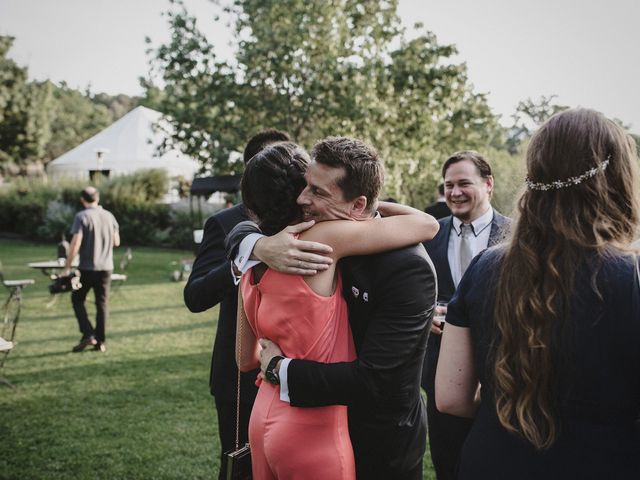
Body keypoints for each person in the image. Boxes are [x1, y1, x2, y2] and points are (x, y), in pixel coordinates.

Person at [436, 108, 640, 479]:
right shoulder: (633, 275)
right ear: (616, 179)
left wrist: (509, 395)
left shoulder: (483, 267)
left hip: (494, 462)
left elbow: (450, 398)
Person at [229, 136, 438, 479]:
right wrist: (254, 243)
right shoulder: (317, 241)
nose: (303, 198)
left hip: (365, 433)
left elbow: (244, 357)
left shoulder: (253, 263)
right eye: (305, 186)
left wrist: (279, 369)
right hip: (315, 430)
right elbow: (428, 222)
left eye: (318, 192)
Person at [183, 129, 298, 477]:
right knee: (241, 467)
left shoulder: (309, 218)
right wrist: (238, 263)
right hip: (239, 376)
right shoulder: (225, 223)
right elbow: (195, 295)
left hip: (296, 372)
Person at [420, 150, 510, 480]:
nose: (454, 193)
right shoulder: (428, 234)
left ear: (488, 184)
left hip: (500, 369)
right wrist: (424, 314)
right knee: (447, 458)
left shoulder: (517, 235)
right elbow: (413, 292)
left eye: (464, 184)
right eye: (448, 185)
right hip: (440, 369)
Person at [64, 187, 120, 353]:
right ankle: (100, 341)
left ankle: (88, 334)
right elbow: (116, 241)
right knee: (102, 304)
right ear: (98, 198)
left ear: (82, 199)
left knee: (77, 299)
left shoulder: (82, 216)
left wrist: (67, 267)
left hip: (88, 267)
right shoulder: (109, 216)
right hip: (106, 267)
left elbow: (75, 243)